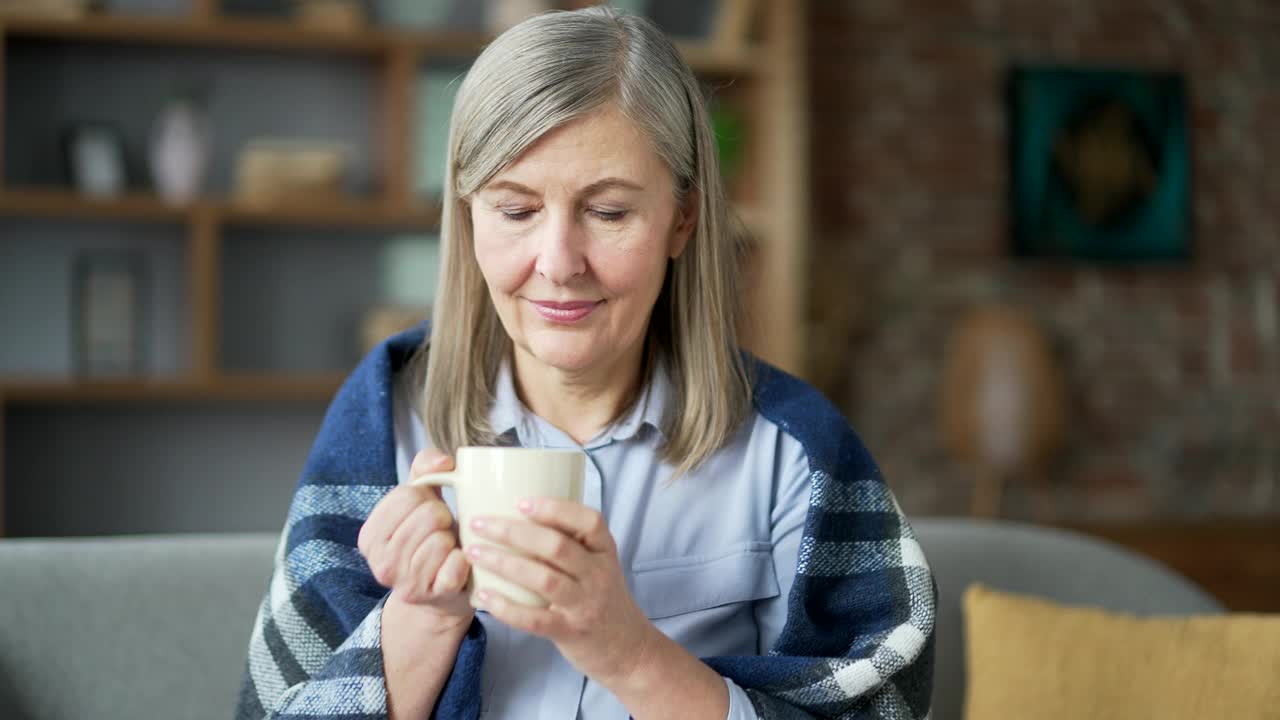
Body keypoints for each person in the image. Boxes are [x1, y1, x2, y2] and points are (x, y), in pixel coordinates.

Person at [235, 7, 935, 720]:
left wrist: (623, 651)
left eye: (607, 213)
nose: (559, 265)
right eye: (515, 211)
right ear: (470, 215)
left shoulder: (795, 455)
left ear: (682, 219)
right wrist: (422, 616)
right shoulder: (385, 422)